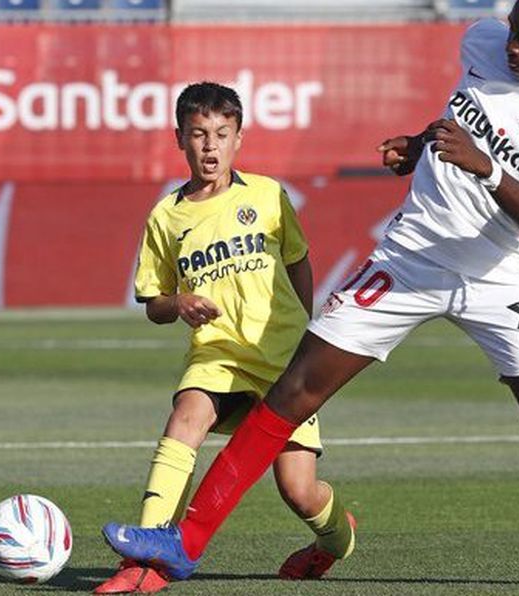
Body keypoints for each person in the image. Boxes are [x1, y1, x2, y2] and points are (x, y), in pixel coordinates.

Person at [100, 0, 519, 583]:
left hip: (498, 276)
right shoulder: (484, 41)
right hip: (408, 259)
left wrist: (482, 166)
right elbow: (466, 112)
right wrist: (423, 145)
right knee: (295, 389)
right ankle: (185, 542)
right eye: (513, 33)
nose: (511, 49)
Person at [94, 82, 356, 594]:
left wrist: (303, 332)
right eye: (198, 135)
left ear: (238, 138)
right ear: (179, 139)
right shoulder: (166, 217)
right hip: (216, 353)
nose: (210, 146)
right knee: (186, 416)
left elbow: (298, 260)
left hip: (281, 360)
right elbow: (153, 304)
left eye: (221, 134)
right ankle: (145, 557)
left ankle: (335, 541)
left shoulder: (267, 195)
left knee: (299, 491)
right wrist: (179, 303)